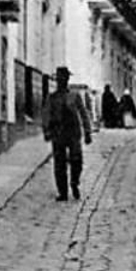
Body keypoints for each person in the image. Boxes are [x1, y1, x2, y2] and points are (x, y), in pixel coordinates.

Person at [41, 66, 92, 201]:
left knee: (77, 160)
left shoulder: (74, 96)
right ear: (57, 80)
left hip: (73, 133)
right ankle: (62, 192)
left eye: (64, 78)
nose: (61, 81)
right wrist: (46, 130)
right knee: (59, 164)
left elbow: (83, 113)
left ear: (67, 79)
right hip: (58, 133)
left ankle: (74, 182)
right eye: (59, 78)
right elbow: (46, 115)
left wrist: (87, 131)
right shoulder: (52, 98)